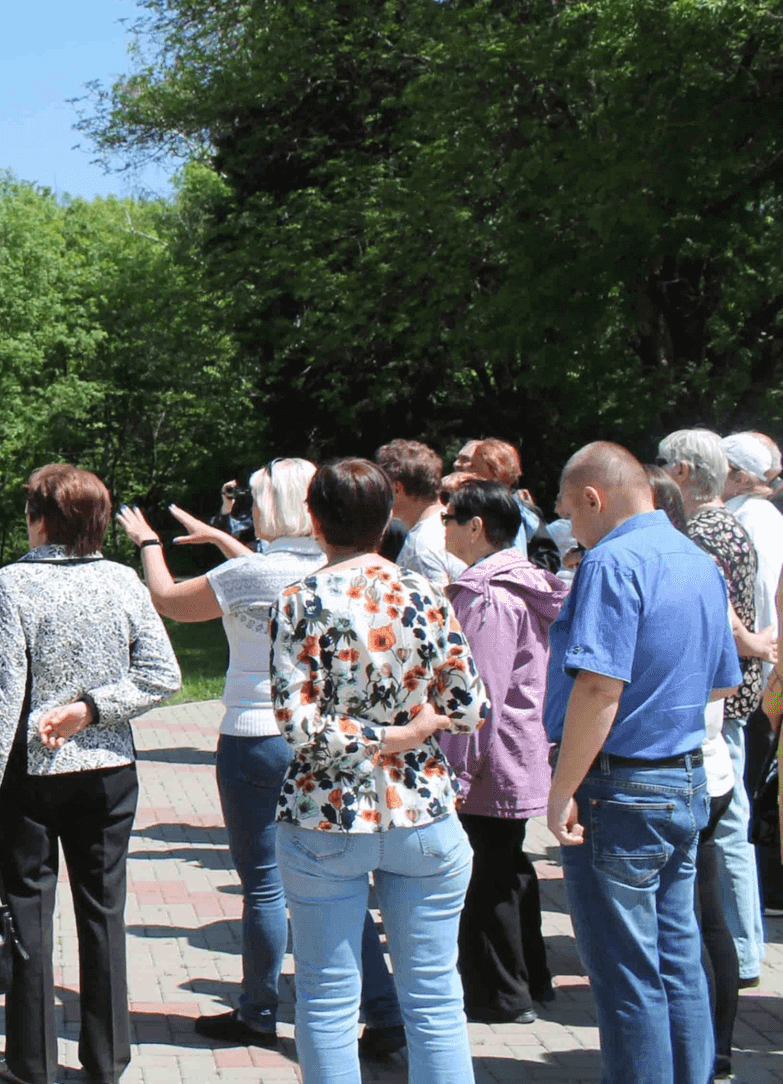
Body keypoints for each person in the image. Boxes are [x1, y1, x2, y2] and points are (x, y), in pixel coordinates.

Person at [119, 460, 406, 1056]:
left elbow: (169, 600)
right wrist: (224, 541)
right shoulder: (352, 570)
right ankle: (384, 1015)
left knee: (266, 887)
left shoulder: (248, 575)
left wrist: (148, 543)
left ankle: (257, 1011)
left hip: (256, 734)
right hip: (335, 739)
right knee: (342, 877)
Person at [268, 457, 487, 1084]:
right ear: (388, 516)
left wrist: (376, 734)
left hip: (325, 813)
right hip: (421, 806)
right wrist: (408, 730)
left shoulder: (300, 600)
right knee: (436, 1000)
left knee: (329, 999)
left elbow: (299, 726)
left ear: (313, 519)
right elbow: (470, 708)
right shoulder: (426, 592)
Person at [0, 464, 182, 1084]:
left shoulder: (12, 584)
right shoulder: (122, 581)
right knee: (103, 913)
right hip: (109, 772)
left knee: (29, 912)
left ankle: (32, 1065)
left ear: (40, 518)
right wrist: (94, 710)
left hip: (30, 775)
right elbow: (162, 675)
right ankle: (106, 1061)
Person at [544, 442, 740, 1084]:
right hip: (685, 779)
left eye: (571, 513)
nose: (572, 528)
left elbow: (599, 687)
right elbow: (718, 681)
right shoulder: (698, 561)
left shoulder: (610, 562)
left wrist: (561, 787)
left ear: (593, 499)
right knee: (677, 961)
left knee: (628, 976)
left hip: (620, 788)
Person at [437, 479, 565, 1024]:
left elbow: (475, 693)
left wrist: (458, 773)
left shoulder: (488, 595)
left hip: (490, 761)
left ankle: (500, 995)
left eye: (450, 518)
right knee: (507, 871)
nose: (442, 526)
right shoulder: (514, 584)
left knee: (485, 880)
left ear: (476, 527)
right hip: (512, 754)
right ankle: (529, 980)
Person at [665, 428, 775, 994]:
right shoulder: (728, 523)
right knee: (730, 827)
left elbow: (722, 608)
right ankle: (739, 949)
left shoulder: (704, 530)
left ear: (682, 472)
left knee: (727, 829)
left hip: (720, 699)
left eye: (661, 464)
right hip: (732, 691)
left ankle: (735, 953)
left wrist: (752, 643)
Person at [649, 462, 746, 1081]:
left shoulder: (665, 572)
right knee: (702, 918)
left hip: (677, 767)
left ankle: (703, 1054)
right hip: (705, 769)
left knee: (684, 928)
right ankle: (717, 1054)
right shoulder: (699, 571)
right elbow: (728, 671)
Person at [377, 439, 465, 587]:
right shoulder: (453, 523)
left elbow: (437, 606)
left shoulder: (420, 548)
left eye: (381, 486)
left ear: (397, 488)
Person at [454, 438, 546, 553]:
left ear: (495, 472)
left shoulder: (509, 510)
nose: (470, 472)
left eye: (474, 467)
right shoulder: (471, 503)